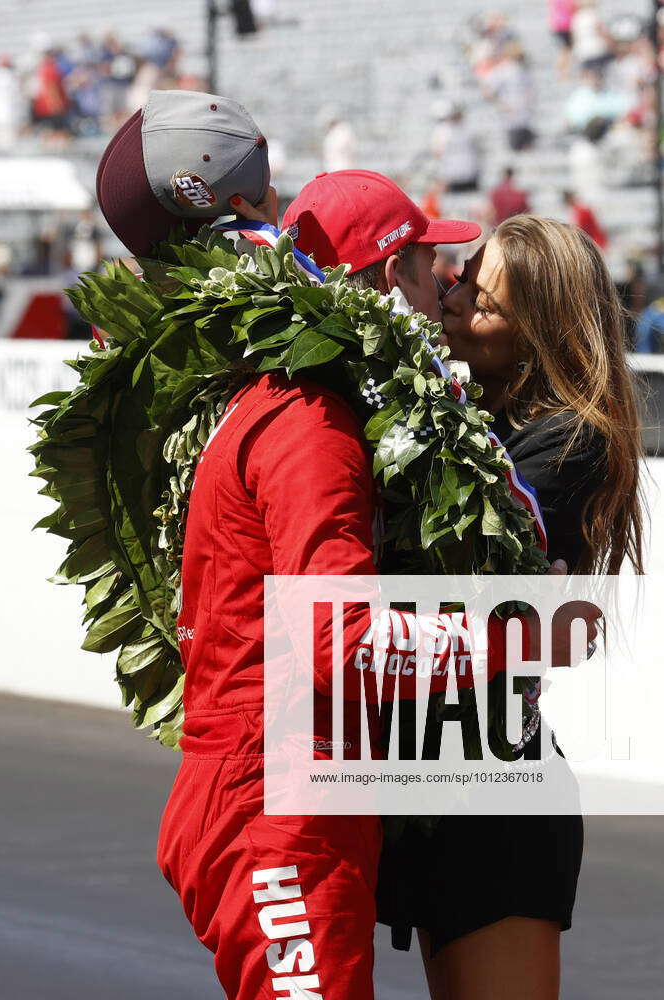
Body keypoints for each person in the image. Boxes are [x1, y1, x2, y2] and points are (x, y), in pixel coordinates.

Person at [96, 93, 484, 999]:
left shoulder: (276, 404)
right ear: (383, 281)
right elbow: (340, 636)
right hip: (276, 802)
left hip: (283, 790)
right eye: (433, 266)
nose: (450, 290)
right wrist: (518, 636)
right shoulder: (308, 421)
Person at [378, 215, 644, 1000]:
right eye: (457, 281)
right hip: (437, 776)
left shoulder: (571, 439)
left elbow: (449, 569)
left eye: (482, 302)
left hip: (499, 800)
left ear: (538, 332)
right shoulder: (470, 410)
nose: (454, 305)